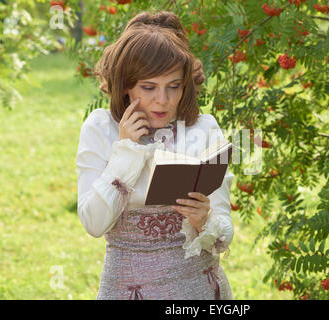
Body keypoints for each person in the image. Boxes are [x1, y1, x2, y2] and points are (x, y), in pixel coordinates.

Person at [76, 11, 235, 300]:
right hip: (127, 291)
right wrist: (126, 152)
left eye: (173, 86)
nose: (163, 100)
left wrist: (205, 220)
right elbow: (93, 224)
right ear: (125, 86)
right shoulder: (100, 128)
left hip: (198, 291)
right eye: (148, 88)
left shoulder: (204, 128)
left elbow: (223, 240)